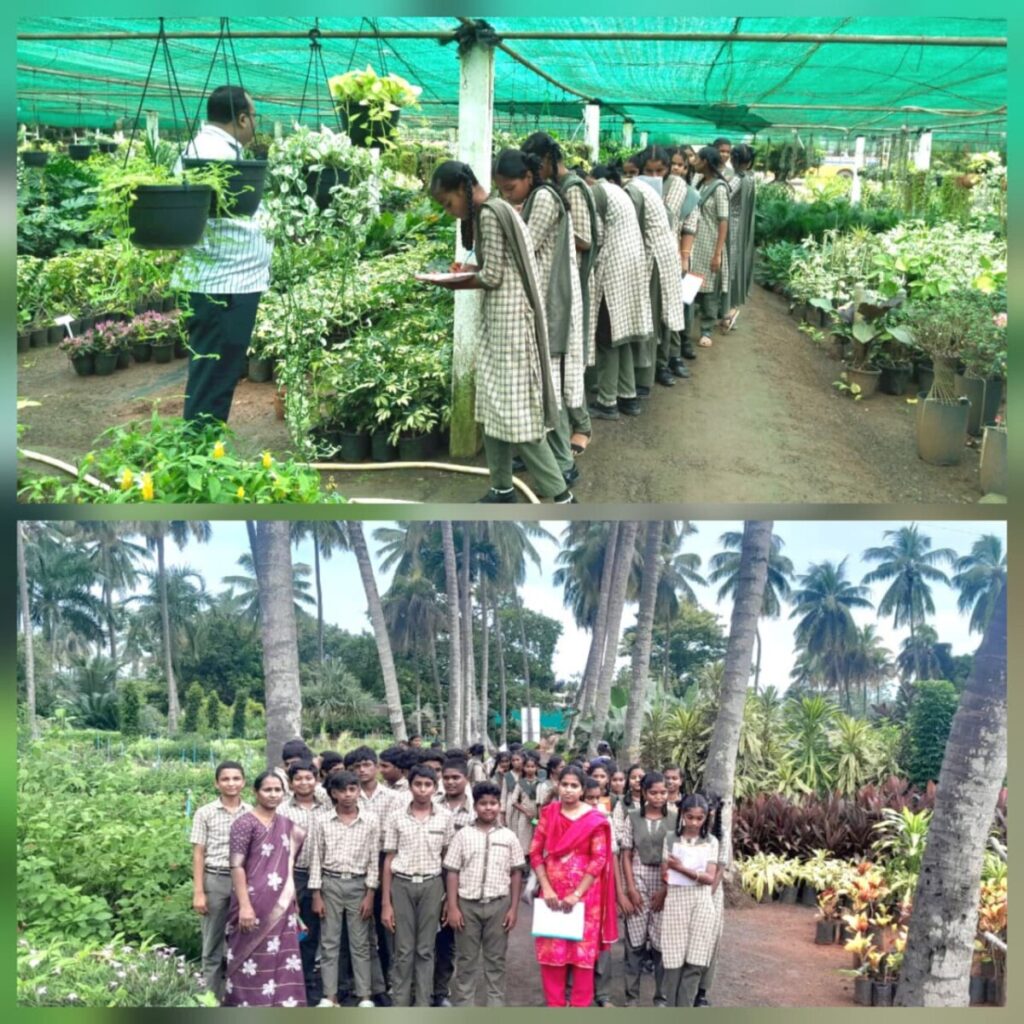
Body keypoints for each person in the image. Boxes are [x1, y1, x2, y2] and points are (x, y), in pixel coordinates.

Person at [428, 161, 574, 505]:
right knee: (491, 405)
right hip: (503, 322)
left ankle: (562, 496)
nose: (450, 212)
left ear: (462, 189)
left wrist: (456, 282)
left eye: (448, 203)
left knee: (517, 416)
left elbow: (493, 277)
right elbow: (499, 266)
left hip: (510, 326)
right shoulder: (496, 209)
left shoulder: (491, 214)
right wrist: (468, 269)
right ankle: (502, 488)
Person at [172, 85, 271, 425]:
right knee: (213, 378)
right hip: (223, 288)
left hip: (226, 283)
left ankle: (203, 447)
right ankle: (199, 448)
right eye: (254, 116)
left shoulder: (206, 149)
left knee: (215, 375)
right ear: (242, 118)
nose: (255, 123)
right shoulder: (213, 154)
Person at [493, 149, 585, 489]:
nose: (506, 194)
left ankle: (563, 465)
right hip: (544, 301)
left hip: (551, 302)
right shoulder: (534, 198)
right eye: (501, 189)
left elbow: (525, 245)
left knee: (550, 386)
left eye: (510, 187)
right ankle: (546, 457)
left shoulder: (544, 198)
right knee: (544, 385)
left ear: (529, 177)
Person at [520, 132, 601, 457]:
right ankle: (567, 430)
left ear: (548, 160)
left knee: (568, 359)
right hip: (559, 282)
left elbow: (585, 239)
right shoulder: (553, 189)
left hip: (571, 281)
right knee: (561, 362)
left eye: (535, 165)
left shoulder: (571, 189)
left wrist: (557, 230)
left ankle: (581, 427)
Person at [529, 765, 618, 1007]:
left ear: (582, 789)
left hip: (586, 896)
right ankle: (555, 1007)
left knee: (582, 956)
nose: (568, 790)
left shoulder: (595, 820)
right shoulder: (549, 814)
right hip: (552, 894)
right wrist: (546, 887)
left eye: (574, 786)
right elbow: (535, 852)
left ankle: (580, 1007)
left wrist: (577, 893)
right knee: (552, 953)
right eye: (564, 784)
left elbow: (599, 858)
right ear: (558, 785)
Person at [222, 770, 307, 1007]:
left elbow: (287, 866)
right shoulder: (244, 823)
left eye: (277, 790)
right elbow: (236, 866)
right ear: (256, 792)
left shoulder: (288, 826)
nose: (273, 794)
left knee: (282, 957)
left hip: (281, 904)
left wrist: (293, 901)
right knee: (249, 958)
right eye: (267, 790)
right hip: (251, 903)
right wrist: (245, 907)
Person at [444, 781, 526, 1006]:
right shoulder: (463, 835)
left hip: (499, 905)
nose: (488, 808)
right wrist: (453, 907)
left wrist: (513, 909)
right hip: (467, 906)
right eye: (483, 803)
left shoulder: (509, 836)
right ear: (475, 807)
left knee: (496, 960)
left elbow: (516, 873)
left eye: (493, 803)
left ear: (499, 806)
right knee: (466, 960)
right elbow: (453, 871)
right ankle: (465, 1006)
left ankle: (495, 1006)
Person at [381, 765, 455, 1007]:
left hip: (432, 885)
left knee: (425, 949)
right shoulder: (396, 817)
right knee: (403, 949)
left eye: (428, 785)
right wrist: (386, 903)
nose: (423, 789)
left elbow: (448, 860)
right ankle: (401, 1003)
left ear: (435, 787)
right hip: (401, 884)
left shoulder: (445, 817)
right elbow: (389, 858)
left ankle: (423, 1002)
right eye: (418, 784)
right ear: (410, 786)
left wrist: (448, 899)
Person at [586, 164, 653, 422]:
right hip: (631, 268)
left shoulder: (597, 192)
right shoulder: (617, 192)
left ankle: (607, 401)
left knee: (606, 338)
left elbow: (595, 238)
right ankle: (628, 396)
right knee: (622, 337)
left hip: (613, 271)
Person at [308, 771, 380, 1009]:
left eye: (352, 789)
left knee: (360, 943)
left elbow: (373, 859)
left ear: (358, 791)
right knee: (329, 942)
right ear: (333, 793)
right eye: (342, 790)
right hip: (331, 883)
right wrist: (316, 894)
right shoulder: (322, 821)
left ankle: (364, 995)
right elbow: (316, 858)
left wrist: (370, 893)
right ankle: (330, 995)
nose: (348, 795)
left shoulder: (370, 820)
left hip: (359, 885)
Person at [622, 166, 688, 396]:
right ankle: (652, 372)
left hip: (655, 261)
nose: (654, 175)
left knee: (649, 321)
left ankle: (644, 379)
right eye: (649, 170)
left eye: (659, 170)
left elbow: (635, 233)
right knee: (659, 319)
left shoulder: (634, 191)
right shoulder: (649, 191)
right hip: (664, 258)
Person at [190, 760, 251, 1001]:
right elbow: (198, 853)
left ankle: (243, 997)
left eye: (236, 778)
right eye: (225, 779)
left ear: (243, 782)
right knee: (212, 943)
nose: (231, 783)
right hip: (215, 879)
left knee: (246, 941)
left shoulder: (252, 813)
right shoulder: (205, 813)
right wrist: (199, 891)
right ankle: (210, 998)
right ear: (217, 783)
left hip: (245, 883)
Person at [621, 771, 677, 1007]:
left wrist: (665, 891)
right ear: (644, 792)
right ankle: (632, 998)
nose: (659, 797)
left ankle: (661, 997)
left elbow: (677, 856)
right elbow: (626, 853)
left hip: (666, 883)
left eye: (663, 792)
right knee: (634, 942)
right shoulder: (633, 817)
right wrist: (630, 888)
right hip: (638, 877)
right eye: (653, 792)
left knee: (661, 945)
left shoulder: (675, 818)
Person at [659, 794, 720, 1008]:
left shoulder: (711, 842)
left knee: (695, 958)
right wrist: (671, 871)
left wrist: (681, 868)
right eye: (690, 817)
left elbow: (710, 877)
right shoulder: (670, 839)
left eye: (699, 818)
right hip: (676, 901)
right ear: (682, 815)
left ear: (706, 818)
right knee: (674, 957)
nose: (694, 823)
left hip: (701, 903)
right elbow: (664, 873)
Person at [277, 761, 329, 1006]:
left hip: (325, 875)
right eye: (298, 779)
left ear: (317, 780)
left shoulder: (328, 804)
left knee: (318, 931)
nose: (304, 783)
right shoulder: (283, 809)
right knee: (297, 931)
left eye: (309, 778)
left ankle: (311, 982)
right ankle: (292, 983)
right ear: (290, 783)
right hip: (294, 874)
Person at [433, 759, 475, 1006]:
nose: (450, 782)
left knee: (449, 938)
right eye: (446, 778)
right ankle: (421, 988)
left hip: (462, 880)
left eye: (456, 777)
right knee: (425, 939)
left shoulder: (476, 809)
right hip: (431, 876)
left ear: (466, 779)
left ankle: (441, 990)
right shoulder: (432, 804)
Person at [681, 147, 731, 350]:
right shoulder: (699, 183)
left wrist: (718, 253)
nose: (694, 162)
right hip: (694, 243)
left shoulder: (719, 188)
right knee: (690, 286)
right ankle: (685, 331)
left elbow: (723, 221)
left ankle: (706, 330)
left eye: (697, 159)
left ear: (706, 162)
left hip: (710, 244)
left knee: (709, 289)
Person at [694, 795, 728, 1008]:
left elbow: (720, 869)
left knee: (709, 941)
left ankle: (702, 991)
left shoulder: (721, 834)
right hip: (689, 891)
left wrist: (706, 896)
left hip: (711, 895)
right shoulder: (688, 829)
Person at [723, 144, 757, 329]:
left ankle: (728, 310)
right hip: (743, 227)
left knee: (728, 267)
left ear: (733, 160)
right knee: (735, 266)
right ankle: (731, 306)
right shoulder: (751, 178)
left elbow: (724, 195)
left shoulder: (737, 179)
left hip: (732, 227)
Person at [507, 749, 542, 854]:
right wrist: (526, 812)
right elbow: (513, 801)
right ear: (523, 768)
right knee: (523, 839)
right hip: (524, 816)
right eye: (527, 766)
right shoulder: (520, 783)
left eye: (532, 766)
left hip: (537, 816)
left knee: (536, 838)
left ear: (537, 768)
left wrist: (539, 816)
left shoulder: (540, 783)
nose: (530, 769)